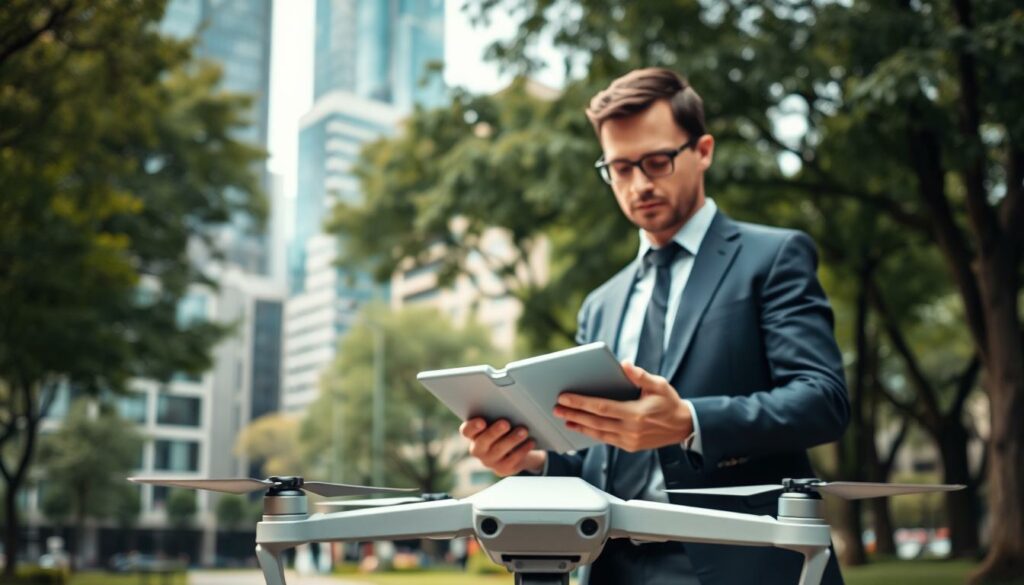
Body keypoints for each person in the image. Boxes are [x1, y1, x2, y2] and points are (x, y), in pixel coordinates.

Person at [459, 68, 849, 585]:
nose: (639, 184)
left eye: (657, 161)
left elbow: (822, 400)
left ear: (703, 150)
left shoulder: (773, 257)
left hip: (739, 562)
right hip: (609, 565)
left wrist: (689, 421)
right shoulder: (601, 304)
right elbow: (599, 462)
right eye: (620, 168)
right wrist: (528, 460)